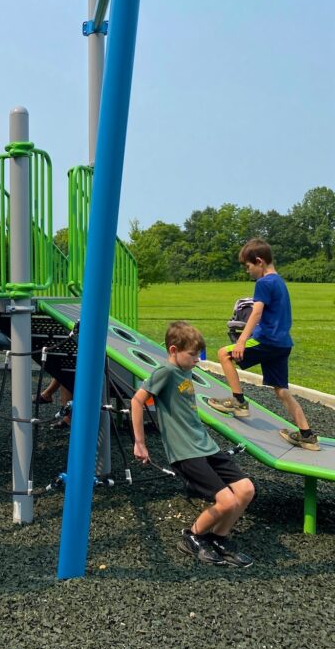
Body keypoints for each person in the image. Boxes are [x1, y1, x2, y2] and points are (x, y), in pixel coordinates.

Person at [130, 320, 255, 567]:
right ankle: (193, 537)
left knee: (246, 489)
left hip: (204, 445)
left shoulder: (185, 369)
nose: (197, 359)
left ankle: (218, 537)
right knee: (227, 500)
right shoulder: (164, 373)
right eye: (193, 355)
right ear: (174, 351)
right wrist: (140, 443)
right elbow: (136, 401)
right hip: (185, 451)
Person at [208, 238, 319, 452]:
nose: (247, 271)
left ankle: (238, 402)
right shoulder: (279, 282)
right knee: (282, 391)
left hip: (267, 340)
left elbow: (256, 312)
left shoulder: (264, 283)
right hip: (282, 344)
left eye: (248, 266)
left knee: (224, 354)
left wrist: (241, 341)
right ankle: (307, 436)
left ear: (259, 261)